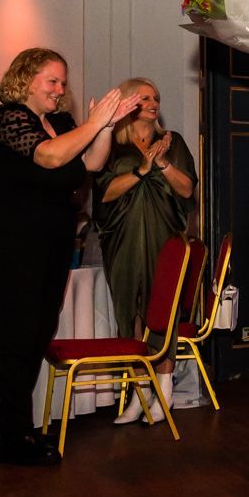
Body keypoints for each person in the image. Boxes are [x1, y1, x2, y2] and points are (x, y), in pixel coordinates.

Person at [0, 49, 139, 465]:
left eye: (63, 82)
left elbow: (91, 162)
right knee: (14, 335)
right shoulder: (8, 118)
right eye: (52, 81)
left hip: (52, 239)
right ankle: (15, 434)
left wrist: (105, 126)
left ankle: (8, 433)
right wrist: (95, 122)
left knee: (37, 332)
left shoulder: (62, 123)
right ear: (26, 79)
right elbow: (49, 156)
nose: (61, 89)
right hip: (9, 240)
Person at [93, 77, 196, 424]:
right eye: (145, 99)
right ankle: (140, 394)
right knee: (130, 315)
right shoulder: (112, 144)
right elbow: (104, 194)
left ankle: (164, 388)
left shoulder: (172, 142)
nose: (154, 104)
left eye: (156, 98)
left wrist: (163, 164)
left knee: (162, 310)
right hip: (121, 239)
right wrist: (141, 170)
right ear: (128, 103)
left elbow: (187, 190)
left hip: (164, 238)